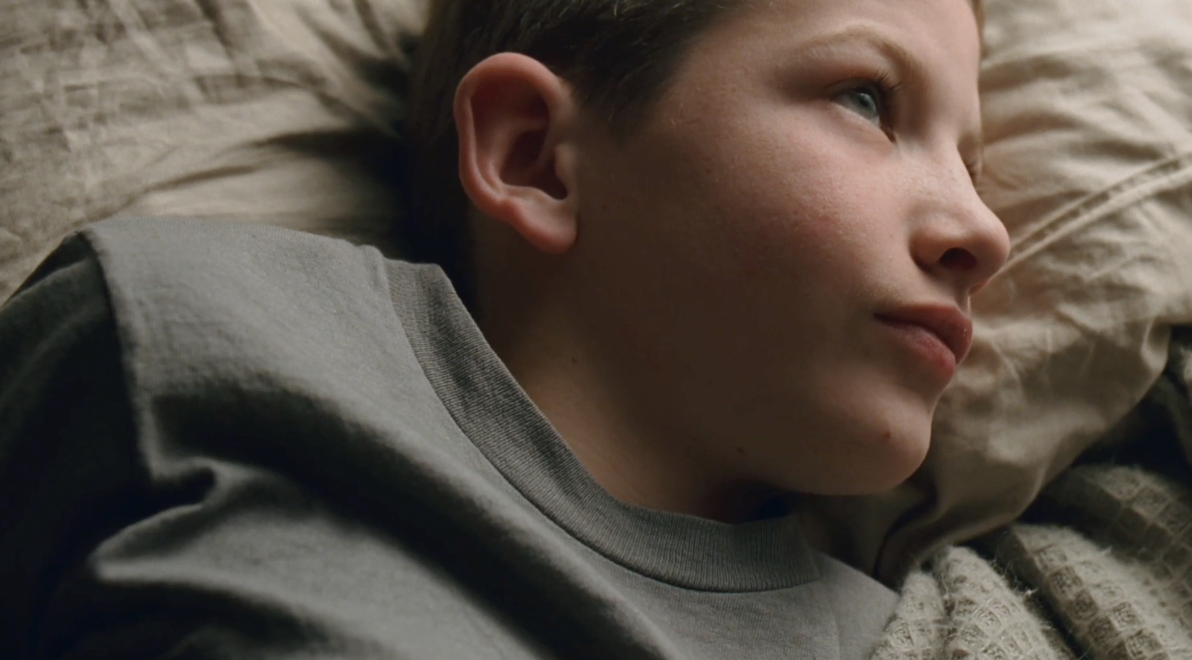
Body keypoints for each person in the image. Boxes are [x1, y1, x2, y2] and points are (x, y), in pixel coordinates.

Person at [0, 0, 1008, 657]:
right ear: (535, 156)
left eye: (972, 167)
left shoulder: (896, 636)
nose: (985, 229)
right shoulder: (186, 338)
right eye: (868, 101)